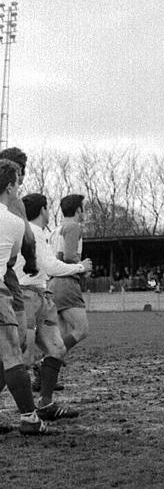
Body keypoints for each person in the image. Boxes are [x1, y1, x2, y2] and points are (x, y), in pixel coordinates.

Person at [17, 193, 91, 420]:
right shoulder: (32, 233)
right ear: (42, 211)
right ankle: (29, 415)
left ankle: (46, 404)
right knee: (21, 359)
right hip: (27, 297)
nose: (50, 212)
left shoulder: (43, 233)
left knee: (57, 349)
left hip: (43, 294)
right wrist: (80, 267)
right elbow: (50, 264)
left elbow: (50, 263)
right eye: (47, 208)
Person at [0, 159, 50, 434]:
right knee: (11, 354)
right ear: (10, 186)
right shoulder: (14, 222)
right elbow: (11, 257)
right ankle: (29, 418)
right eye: (17, 184)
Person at [48, 194, 93, 365]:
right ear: (77, 210)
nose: (84, 212)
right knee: (82, 329)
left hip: (52, 284)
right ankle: (45, 362)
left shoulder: (55, 231)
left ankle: (46, 378)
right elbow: (68, 256)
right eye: (83, 208)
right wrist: (82, 266)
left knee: (60, 333)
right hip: (66, 283)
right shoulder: (73, 226)